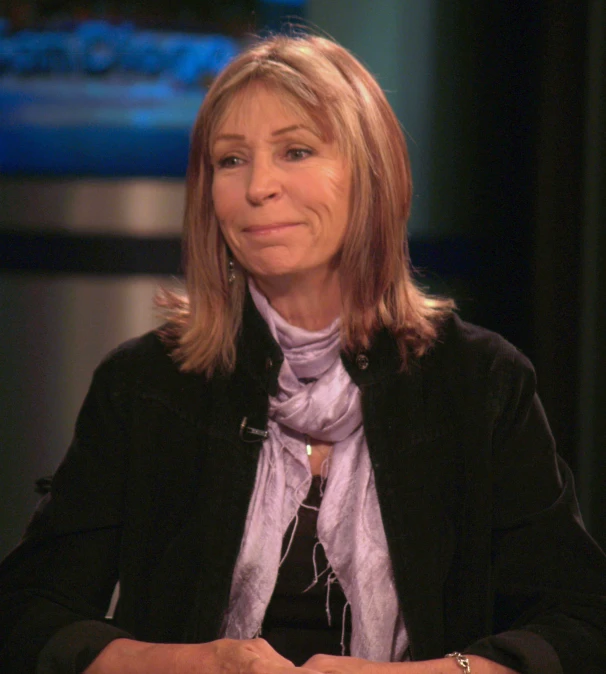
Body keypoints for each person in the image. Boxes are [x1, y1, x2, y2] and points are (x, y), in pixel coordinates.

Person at [1, 33, 605, 674]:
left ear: (369, 171)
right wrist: (182, 665)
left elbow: (582, 621)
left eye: (295, 151)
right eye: (230, 161)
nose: (259, 187)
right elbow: (25, 614)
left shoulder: (481, 382)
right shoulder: (144, 384)